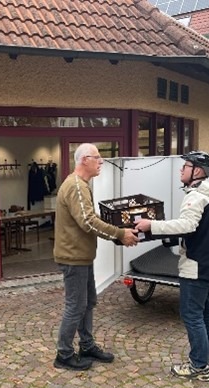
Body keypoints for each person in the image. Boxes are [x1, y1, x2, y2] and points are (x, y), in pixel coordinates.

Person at [134, 151, 209, 381]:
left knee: (192, 315)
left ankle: (199, 366)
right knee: (205, 312)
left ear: (197, 171)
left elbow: (187, 225)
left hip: (196, 266)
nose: (181, 170)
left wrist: (151, 225)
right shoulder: (208, 196)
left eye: (185, 166)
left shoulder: (195, 197)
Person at [53, 143, 139, 371]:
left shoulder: (81, 185)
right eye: (97, 157)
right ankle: (63, 354)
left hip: (81, 256)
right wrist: (120, 234)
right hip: (73, 258)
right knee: (76, 306)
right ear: (84, 160)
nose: (101, 161)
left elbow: (90, 217)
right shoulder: (76, 186)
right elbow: (88, 222)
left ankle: (87, 345)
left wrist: (118, 232)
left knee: (87, 302)